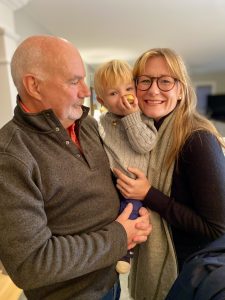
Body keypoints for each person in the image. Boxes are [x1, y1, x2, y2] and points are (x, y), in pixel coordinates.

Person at [0, 35, 152, 300]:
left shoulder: (87, 124)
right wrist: (119, 235)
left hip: (111, 283)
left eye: (84, 79)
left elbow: (98, 187)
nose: (85, 91)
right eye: (74, 81)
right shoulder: (11, 155)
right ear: (34, 86)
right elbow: (30, 264)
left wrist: (134, 217)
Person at [114, 48, 225, 300]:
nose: (154, 90)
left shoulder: (197, 140)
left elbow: (217, 227)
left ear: (180, 90)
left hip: (186, 276)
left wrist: (148, 194)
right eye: (145, 80)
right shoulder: (143, 138)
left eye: (165, 81)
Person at [94, 60, 157, 274]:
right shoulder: (102, 121)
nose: (124, 97)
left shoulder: (142, 117)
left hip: (134, 182)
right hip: (111, 180)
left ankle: (125, 253)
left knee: (130, 210)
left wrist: (131, 117)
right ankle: (107, 246)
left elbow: (145, 144)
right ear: (102, 100)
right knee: (108, 211)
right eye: (113, 93)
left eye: (129, 89)